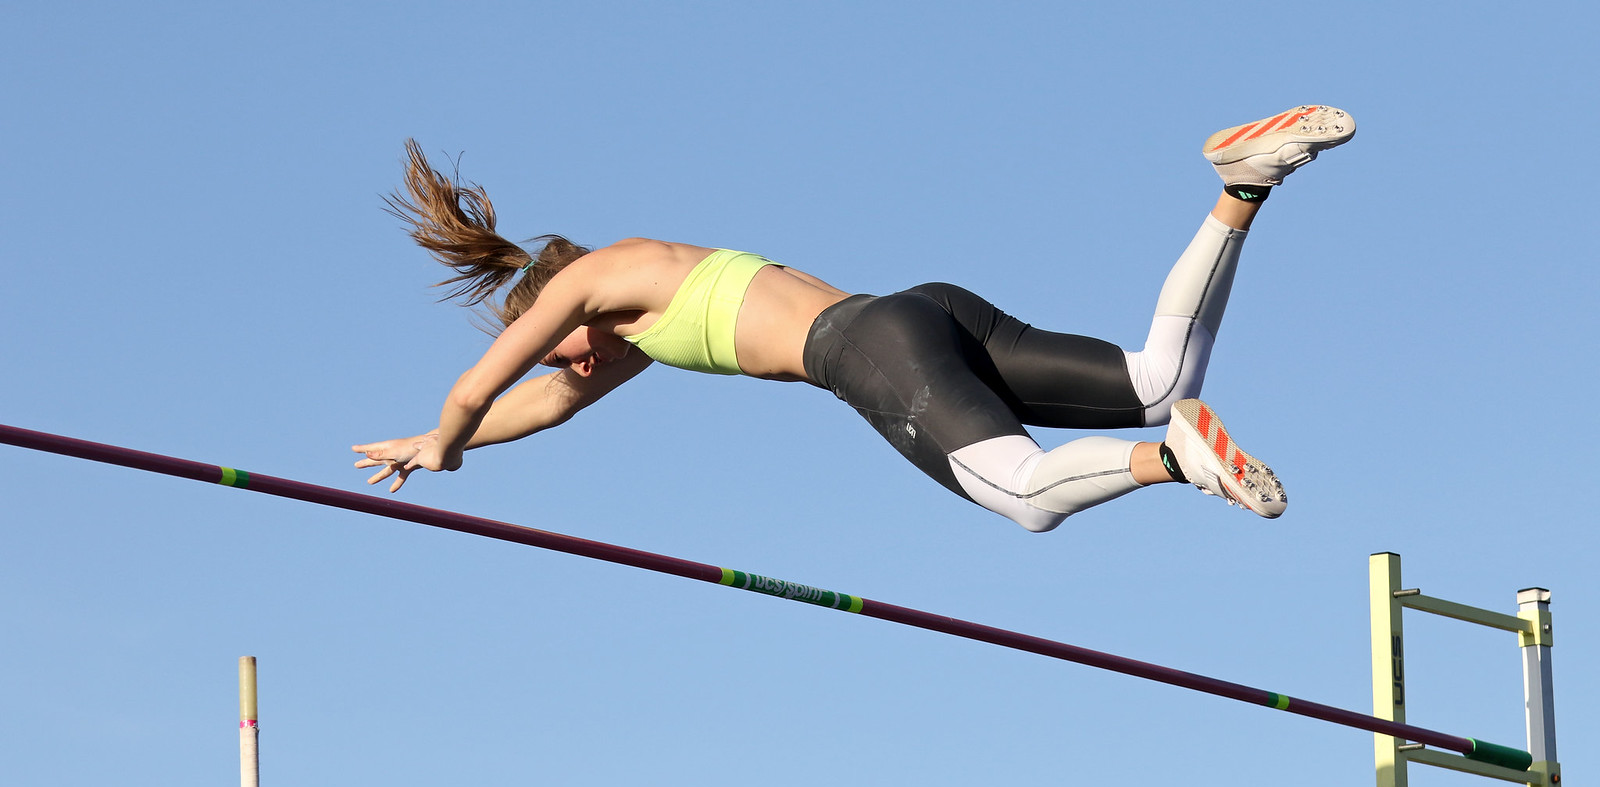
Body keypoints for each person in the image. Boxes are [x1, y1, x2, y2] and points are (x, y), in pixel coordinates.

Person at [354, 105, 1354, 532]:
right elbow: (545, 409)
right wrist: (454, 447)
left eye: (556, 346)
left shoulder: (593, 280)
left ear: (545, 306)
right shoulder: (641, 317)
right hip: (923, 310)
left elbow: (493, 382)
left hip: (867, 349)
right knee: (1156, 383)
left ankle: (1178, 462)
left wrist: (445, 430)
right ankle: (1241, 184)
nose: (570, 363)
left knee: (1029, 497)